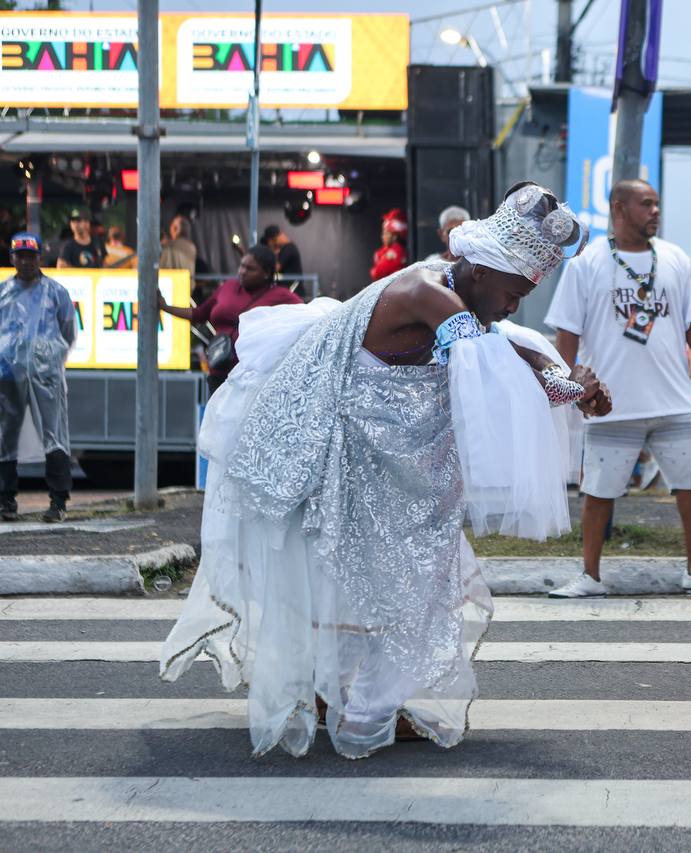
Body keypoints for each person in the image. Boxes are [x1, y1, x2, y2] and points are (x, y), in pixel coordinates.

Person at [160, 182, 611, 759]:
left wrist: (567, 384)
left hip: (377, 461)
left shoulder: (461, 297)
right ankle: (358, 708)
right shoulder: (428, 292)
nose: (512, 305)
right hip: (334, 454)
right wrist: (572, 388)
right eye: (513, 292)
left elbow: (515, 345)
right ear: (478, 271)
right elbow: (492, 361)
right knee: (366, 581)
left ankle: (348, 700)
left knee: (378, 581)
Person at [544, 179, 691, 598]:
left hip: (673, 400)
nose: (655, 211)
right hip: (612, 404)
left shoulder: (674, 258)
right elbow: (567, 333)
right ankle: (590, 576)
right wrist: (572, 388)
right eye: (646, 204)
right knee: (598, 491)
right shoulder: (586, 264)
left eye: (657, 204)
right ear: (619, 208)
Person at [0, 233, 76, 523]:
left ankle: (58, 501)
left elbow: (68, 331)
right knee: (6, 435)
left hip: (45, 375)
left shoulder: (55, 292)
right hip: (8, 375)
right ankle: (6, 500)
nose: (25, 261)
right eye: (20, 255)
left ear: (39, 258)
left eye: (30, 255)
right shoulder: (3, 292)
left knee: (54, 433)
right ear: (12, 258)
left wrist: (49, 358)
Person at [158, 245, 301, 394]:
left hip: (251, 378)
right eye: (242, 266)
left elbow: (306, 316)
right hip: (218, 370)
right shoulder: (228, 286)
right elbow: (198, 314)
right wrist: (165, 307)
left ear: (266, 273)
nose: (242, 272)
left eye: (250, 269)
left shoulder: (281, 295)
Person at [370, 208, 409, 282]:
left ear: (395, 236)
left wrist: (374, 270)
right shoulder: (385, 251)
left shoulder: (397, 250)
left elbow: (377, 273)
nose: (383, 236)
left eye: (386, 233)